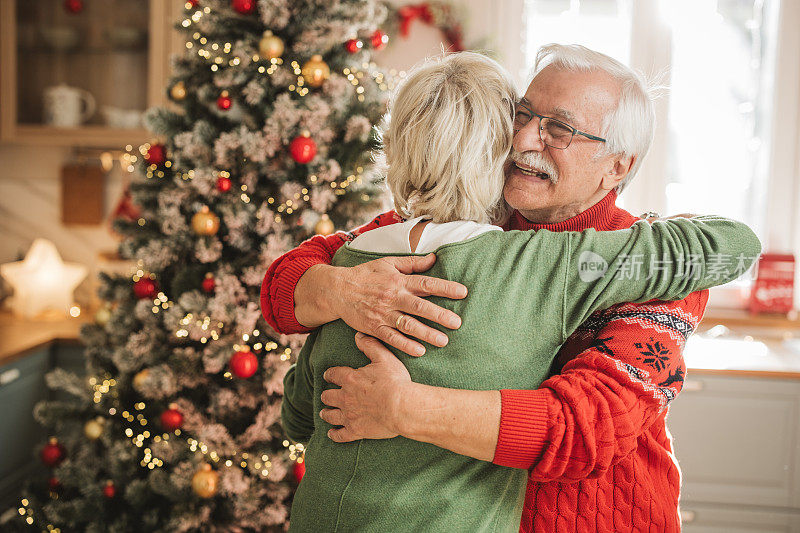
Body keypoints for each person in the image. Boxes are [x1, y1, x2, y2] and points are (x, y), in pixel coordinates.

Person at [278, 51, 761, 532]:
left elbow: (586, 432)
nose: (526, 139)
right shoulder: (465, 220)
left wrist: (404, 408)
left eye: (560, 130)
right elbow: (294, 278)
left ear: (617, 167)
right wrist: (335, 287)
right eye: (524, 115)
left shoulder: (648, 264)